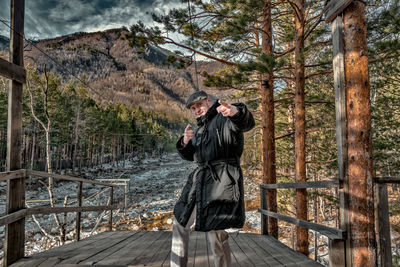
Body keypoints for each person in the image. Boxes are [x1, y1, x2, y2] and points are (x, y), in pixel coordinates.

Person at [171, 90, 255, 267]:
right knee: (180, 222)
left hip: (221, 180)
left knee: (216, 231)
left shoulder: (225, 116)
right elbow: (190, 156)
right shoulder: (199, 129)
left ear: (208, 101)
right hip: (199, 181)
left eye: (199, 105)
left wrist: (234, 112)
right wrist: (185, 142)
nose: (197, 110)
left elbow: (246, 122)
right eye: (193, 108)